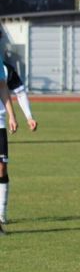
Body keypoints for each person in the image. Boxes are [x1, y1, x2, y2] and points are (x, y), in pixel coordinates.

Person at [0, 59, 37, 235]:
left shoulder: (4, 67)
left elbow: (16, 92)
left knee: (1, 168)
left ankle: (1, 213)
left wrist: (23, 116)